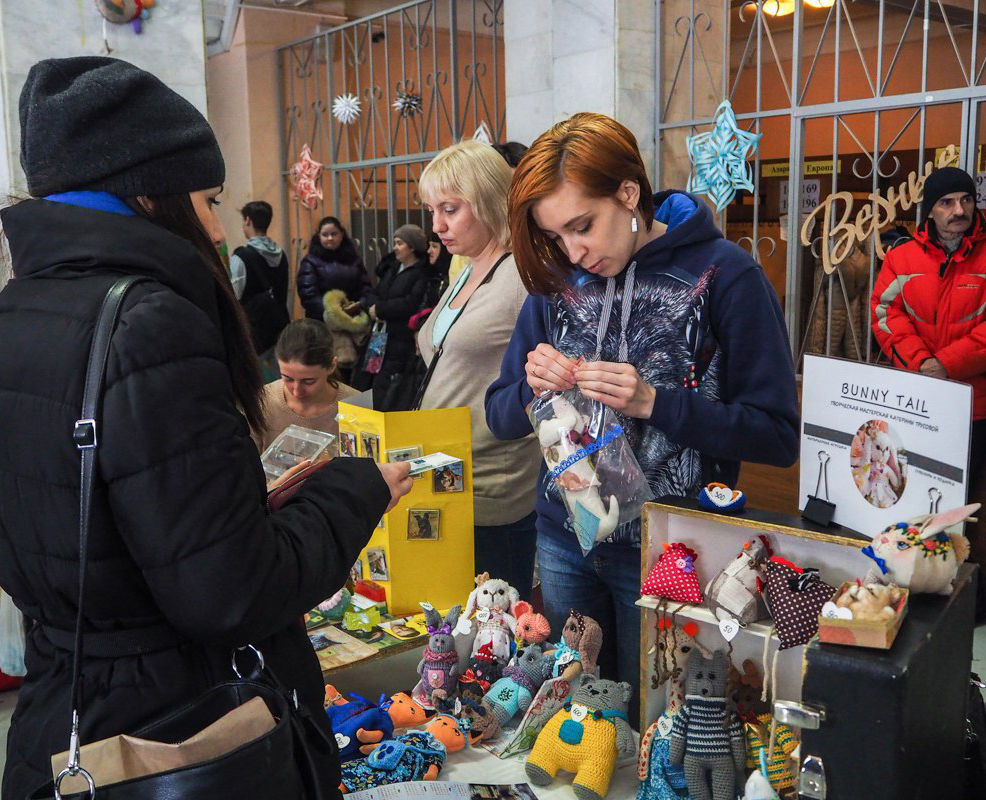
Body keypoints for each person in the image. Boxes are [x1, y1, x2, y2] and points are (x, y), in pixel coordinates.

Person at [0, 56, 413, 798]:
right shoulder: (150, 323)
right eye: (210, 199)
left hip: (61, 718)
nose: (219, 227)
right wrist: (354, 489)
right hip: (182, 732)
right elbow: (231, 593)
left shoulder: (18, 312)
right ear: (149, 197)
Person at [485, 112, 799, 721]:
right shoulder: (556, 282)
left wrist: (657, 403)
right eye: (555, 237)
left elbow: (777, 435)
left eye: (583, 226)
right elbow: (499, 416)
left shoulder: (725, 274)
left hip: (670, 553)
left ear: (628, 192)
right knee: (568, 723)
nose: (573, 250)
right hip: (562, 538)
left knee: (661, 728)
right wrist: (532, 386)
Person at [417, 139, 541, 599]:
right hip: (441, 476)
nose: (437, 225)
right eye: (432, 210)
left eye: (449, 209)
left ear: (489, 200)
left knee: (496, 641)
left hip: (492, 486)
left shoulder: (523, 275)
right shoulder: (467, 267)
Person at [870, 166, 986, 608]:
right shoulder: (903, 257)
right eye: (946, 203)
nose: (958, 211)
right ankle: (916, 579)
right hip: (918, 401)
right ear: (930, 211)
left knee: (968, 505)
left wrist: (947, 364)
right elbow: (885, 313)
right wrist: (921, 362)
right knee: (916, 493)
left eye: (965, 200)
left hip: (975, 406)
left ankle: (966, 599)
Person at [253, 319, 359, 455]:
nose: (296, 391)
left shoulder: (356, 405)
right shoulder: (264, 401)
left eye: (308, 381)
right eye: (288, 378)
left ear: (332, 366)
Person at [363, 223, 429, 411]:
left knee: (390, 385)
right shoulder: (392, 268)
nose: (395, 248)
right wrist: (373, 306)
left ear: (412, 246)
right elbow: (377, 292)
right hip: (379, 337)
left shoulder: (420, 273)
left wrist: (381, 309)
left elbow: (409, 303)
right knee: (371, 375)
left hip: (399, 339)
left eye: (399, 243)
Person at [448, 141, 529, 287]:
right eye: (503, 187)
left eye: (521, 185)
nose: (512, 196)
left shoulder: (546, 236)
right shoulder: (465, 250)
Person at [229, 200, 290, 379]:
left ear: (248, 220)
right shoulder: (281, 254)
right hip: (280, 326)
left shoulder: (242, 256)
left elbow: (234, 295)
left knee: (258, 383)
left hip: (254, 331)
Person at [297, 215, 371, 319]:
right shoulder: (310, 261)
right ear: (319, 237)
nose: (330, 238)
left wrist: (360, 304)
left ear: (342, 235)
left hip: (354, 319)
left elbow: (366, 288)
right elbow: (309, 296)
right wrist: (335, 312)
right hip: (322, 321)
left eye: (334, 234)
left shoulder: (354, 259)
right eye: (325, 235)